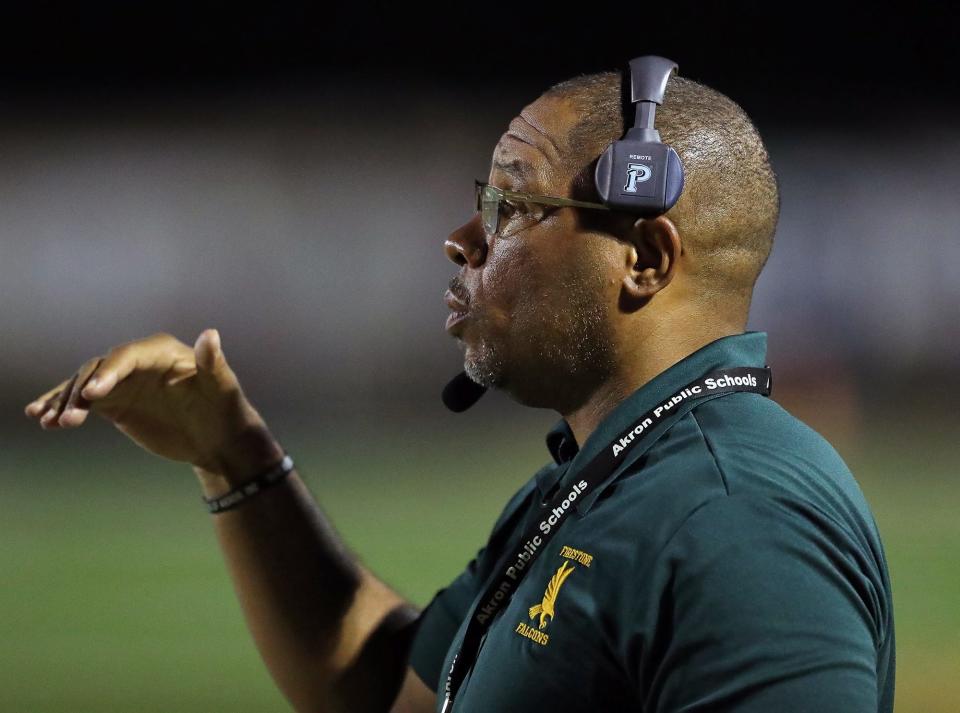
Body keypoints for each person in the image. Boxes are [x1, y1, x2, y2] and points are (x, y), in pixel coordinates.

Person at [23, 63, 895, 713]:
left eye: (513, 207)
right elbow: (388, 689)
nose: (462, 239)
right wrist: (231, 452)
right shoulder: (602, 477)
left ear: (644, 258)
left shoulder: (736, 520)